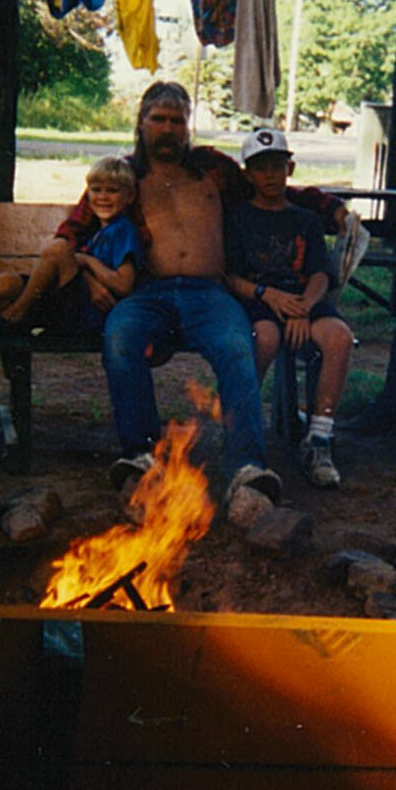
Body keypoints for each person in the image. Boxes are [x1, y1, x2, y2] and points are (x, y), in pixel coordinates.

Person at [98, 81, 286, 504]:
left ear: (188, 126)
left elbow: (269, 190)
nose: (168, 129)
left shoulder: (212, 170)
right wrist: (81, 266)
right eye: (159, 120)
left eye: (177, 121)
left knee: (238, 346)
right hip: (149, 293)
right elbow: (81, 224)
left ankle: (247, 467)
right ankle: (142, 456)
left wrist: (332, 209)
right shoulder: (124, 175)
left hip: (210, 294)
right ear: (141, 123)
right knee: (120, 335)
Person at [224, 128, 352, 488]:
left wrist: (305, 307)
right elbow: (230, 276)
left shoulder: (305, 219)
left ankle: (319, 439)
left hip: (302, 300)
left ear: (290, 169)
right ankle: (239, 430)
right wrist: (267, 294)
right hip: (259, 300)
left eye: (277, 167)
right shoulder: (237, 217)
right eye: (260, 168)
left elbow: (320, 274)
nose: (270, 176)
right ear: (248, 174)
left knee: (339, 337)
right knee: (264, 338)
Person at [0, 156, 144, 352]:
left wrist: (87, 261)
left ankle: (14, 316)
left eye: (112, 191)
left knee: (57, 248)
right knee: (6, 283)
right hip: (67, 303)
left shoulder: (124, 230)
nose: (103, 197)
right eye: (96, 190)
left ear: (130, 196)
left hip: (88, 315)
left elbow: (124, 285)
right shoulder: (96, 230)